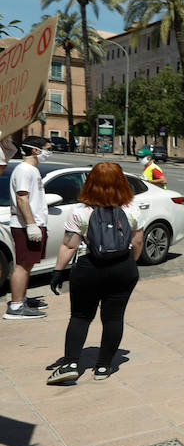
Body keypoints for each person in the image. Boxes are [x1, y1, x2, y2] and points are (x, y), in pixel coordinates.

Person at [45, 162, 144, 383]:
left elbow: (69, 245)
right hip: (123, 268)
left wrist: (58, 271)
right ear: (122, 183)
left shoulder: (80, 212)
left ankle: (70, 363)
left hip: (89, 268)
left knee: (80, 316)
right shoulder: (133, 210)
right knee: (113, 317)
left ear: (90, 183)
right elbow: (137, 243)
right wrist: (129, 265)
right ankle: (103, 367)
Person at [6, 136, 52, 320]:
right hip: (26, 226)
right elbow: (22, 198)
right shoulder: (25, 170)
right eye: (47, 148)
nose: (49, 152)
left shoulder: (31, 170)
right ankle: (16, 307)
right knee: (23, 266)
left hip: (34, 224)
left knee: (28, 265)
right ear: (35, 150)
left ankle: (21, 298)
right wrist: (31, 224)